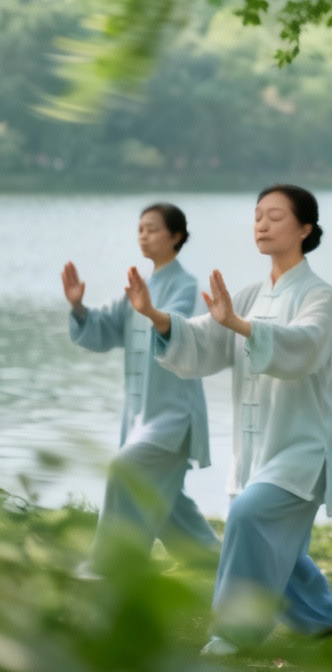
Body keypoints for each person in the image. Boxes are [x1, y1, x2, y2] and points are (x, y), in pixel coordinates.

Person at [126, 184, 332, 656]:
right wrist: (158, 317)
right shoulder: (248, 293)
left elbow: (303, 348)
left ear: (305, 229)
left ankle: (234, 632)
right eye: (257, 217)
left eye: (275, 217)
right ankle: (325, 619)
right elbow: (201, 341)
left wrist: (240, 326)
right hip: (255, 446)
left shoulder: (319, 295)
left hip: (304, 447)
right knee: (269, 536)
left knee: (251, 517)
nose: (262, 225)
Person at [62, 202, 218, 577]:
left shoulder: (186, 285)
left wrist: (151, 312)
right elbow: (102, 327)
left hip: (174, 413)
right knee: (165, 498)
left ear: (176, 236)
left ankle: (115, 563)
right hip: (140, 413)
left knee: (125, 470)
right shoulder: (140, 287)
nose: (143, 235)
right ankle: (209, 557)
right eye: (140, 229)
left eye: (152, 228)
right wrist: (79, 306)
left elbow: (181, 331)